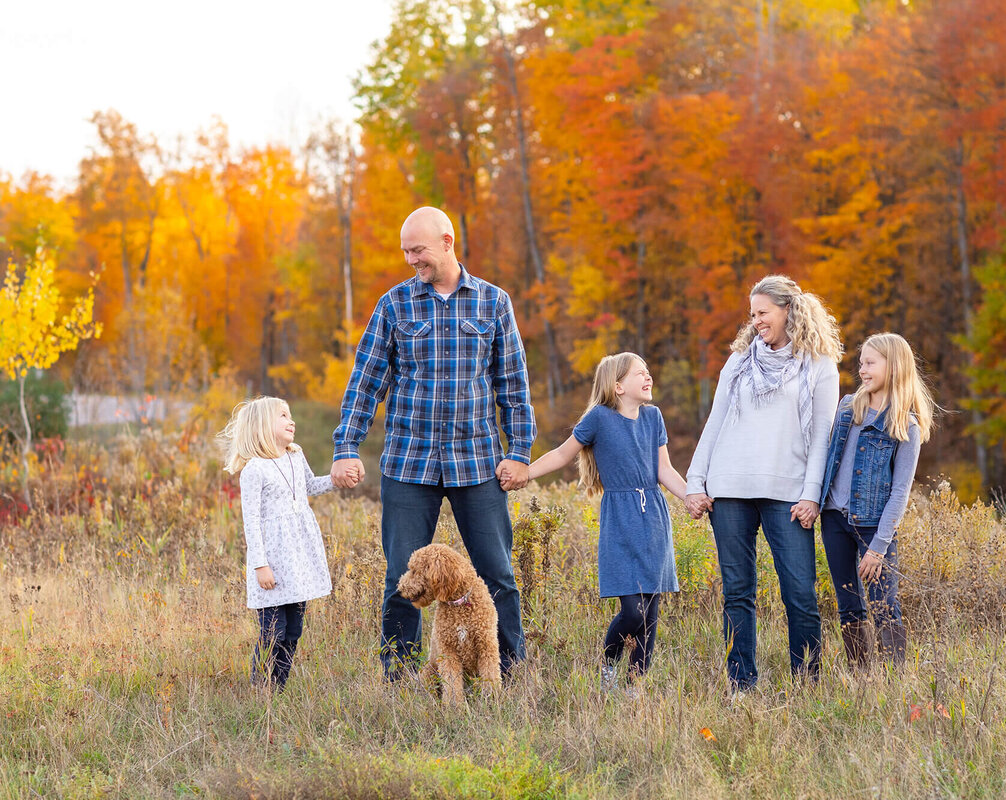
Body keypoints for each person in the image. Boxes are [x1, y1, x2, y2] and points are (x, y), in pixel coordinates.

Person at [332, 206, 535, 680]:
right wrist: (347, 445)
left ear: (447, 241)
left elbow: (513, 386)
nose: (410, 259)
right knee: (400, 579)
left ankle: (507, 674)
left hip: (477, 461)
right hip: (409, 464)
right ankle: (400, 681)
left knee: (497, 575)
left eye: (417, 249)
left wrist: (519, 452)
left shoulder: (493, 302)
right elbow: (366, 382)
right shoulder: (395, 304)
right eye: (405, 251)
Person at [685, 275, 842, 691]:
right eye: (752, 314)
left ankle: (806, 685)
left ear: (788, 310)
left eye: (763, 313)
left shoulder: (819, 366)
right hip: (729, 488)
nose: (756, 321)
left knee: (800, 595)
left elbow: (822, 438)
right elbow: (715, 423)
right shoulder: (738, 362)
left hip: (788, 494)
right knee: (737, 593)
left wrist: (812, 495)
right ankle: (741, 685)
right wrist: (694, 481)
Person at [522, 353, 688, 694]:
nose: (648, 377)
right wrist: (526, 471)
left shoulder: (654, 417)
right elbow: (562, 454)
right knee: (633, 613)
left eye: (649, 371)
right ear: (617, 386)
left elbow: (665, 471)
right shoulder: (599, 418)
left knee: (651, 611)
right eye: (640, 373)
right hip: (621, 520)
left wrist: (694, 497)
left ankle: (634, 686)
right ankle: (609, 665)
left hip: (654, 518)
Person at [818, 332, 933, 672]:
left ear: (893, 366)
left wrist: (878, 547)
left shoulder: (905, 425)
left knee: (885, 604)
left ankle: (894, 677)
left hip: (874, 526)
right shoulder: (847, 408)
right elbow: (827, 460)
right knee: (848, 603)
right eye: (861, 363)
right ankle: (861, 676)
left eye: (870, 363)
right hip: (834, 519)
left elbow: (900, 491)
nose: (862, 370)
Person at [218, 396, 334, 690]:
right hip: (271, 564)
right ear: (261, 426)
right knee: (273, 631)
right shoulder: (254, 470)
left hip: (297, 559)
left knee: (293, 631)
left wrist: (336, 479)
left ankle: (277, 689)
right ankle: (260, 690)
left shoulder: (296, 456)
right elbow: (251, 522)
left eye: (290, 414)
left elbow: (310, 486)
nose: (291, 420)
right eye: (283, 415)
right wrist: (260, 565)